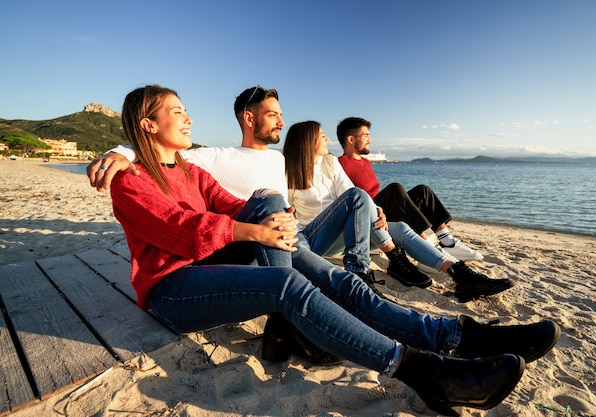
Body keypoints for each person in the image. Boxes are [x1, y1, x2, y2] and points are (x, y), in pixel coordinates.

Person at [107, 83, 561, 416]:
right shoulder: (131, 180)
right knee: (286, 281)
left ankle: (458, 336)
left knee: (332, 271)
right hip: (173, 288)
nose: (189, 118)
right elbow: (181, 228)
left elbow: (229, 204)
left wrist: (272, 220)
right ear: (149, 124)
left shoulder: (191, 171)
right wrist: (254, 232)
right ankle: (421, 371)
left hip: (222, 261)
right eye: (178, 112)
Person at [283, 120, 513, 302]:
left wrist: (377, 210)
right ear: (306, 141)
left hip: (352, 232)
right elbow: (288, 213)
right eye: (321, 135)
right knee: (359, 198)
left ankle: (460, 274)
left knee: (400, 226)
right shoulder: (288, 172)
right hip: (320, 239)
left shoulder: (330, 163)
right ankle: (394, 258)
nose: (327, 138)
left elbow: (349, 190)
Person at [336, 117, 484, 262]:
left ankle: (447, 242)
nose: (370, 139)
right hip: (370, 215)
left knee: (422, 191)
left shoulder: (365, 162)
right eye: (366, 135)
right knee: (395, 190)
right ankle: (428, 247)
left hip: (383, 212)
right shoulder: (339, 164)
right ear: (351, 140)